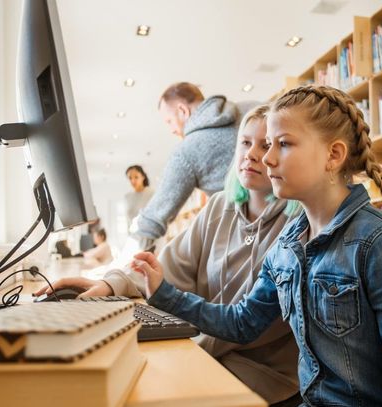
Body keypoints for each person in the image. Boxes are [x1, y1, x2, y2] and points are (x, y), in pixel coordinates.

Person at [130, 86, 382, 406]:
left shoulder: (381, 248)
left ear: (334, 155)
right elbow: (243, 323)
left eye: (283, 144)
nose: (267, 158)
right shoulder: (286, 246)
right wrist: (162, 292)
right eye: (269, 144)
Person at [35, 105, 301, 406]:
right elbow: (166, 266)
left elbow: (252, 324)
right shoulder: (218, 207)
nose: (252, 154)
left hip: (261, 370)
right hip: (207, 349)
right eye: (245, 142)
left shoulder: (298, 223)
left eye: (266, 145)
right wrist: (112, 284)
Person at [131, 82, 256, 251]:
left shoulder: (186, 151)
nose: (171, 129)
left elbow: (153, 220)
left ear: (183, 111)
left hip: (249, 243)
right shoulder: (254, 110)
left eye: (169, 121)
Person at [124, 165, 154, 231]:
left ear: (143, 177)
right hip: (134, 236)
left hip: (151, 234)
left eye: (136, 177)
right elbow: (128, 222)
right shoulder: (127, 196)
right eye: (130, 178)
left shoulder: (152, 193)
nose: (133, 181)